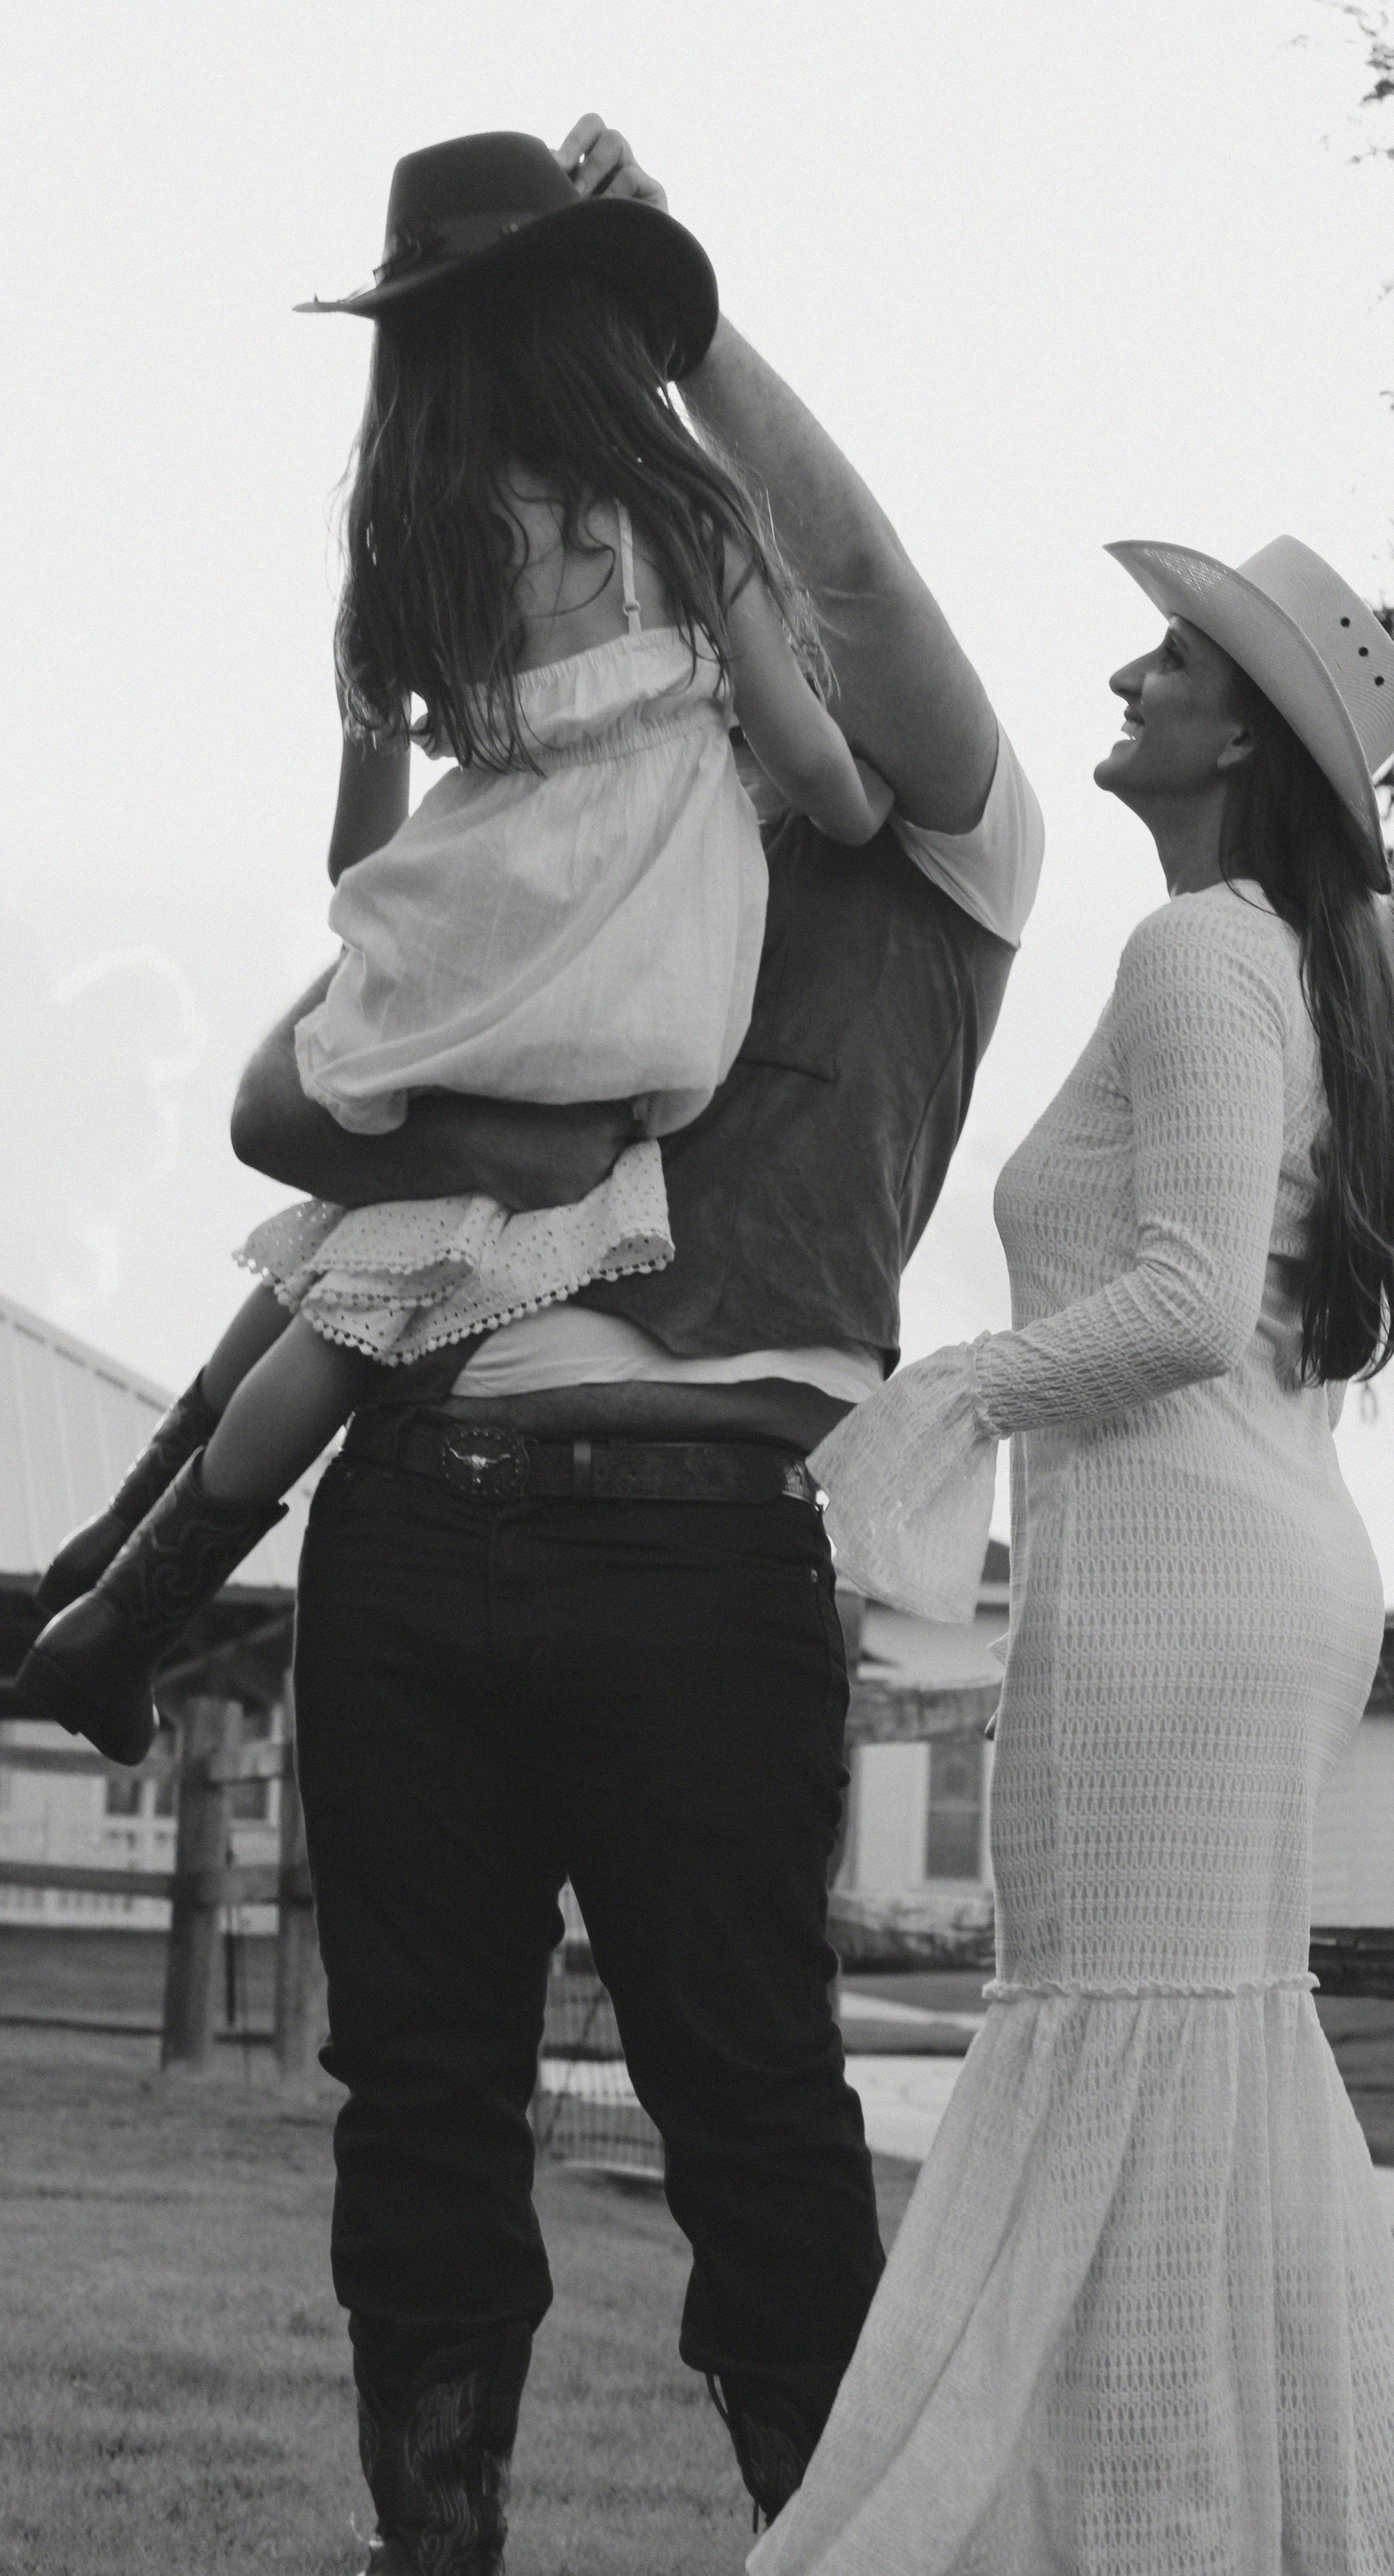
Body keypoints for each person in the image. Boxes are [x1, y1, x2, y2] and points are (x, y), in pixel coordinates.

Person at [225, 119, 1042, 2576]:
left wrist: (662, 333)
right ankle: (432, 2569)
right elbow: (292, 1078)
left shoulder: (951, 862)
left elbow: (869, 598)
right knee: (418, 2087)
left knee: (748, 2089)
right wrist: (477, 1088)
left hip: (694, 1546)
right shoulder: (536, 837)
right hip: (416, 1517)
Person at [750, 539, 1394, 2576]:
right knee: (1207, 2099)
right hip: (1229, 1571)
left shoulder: (1207, 947)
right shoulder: (1292, 963)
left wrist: (948, 1397)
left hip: (1183, 1593)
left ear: (1245, 741)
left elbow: (1193, 1303)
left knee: (1118, 2069)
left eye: (1177, 661)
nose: (1130, 668)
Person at [8, 129, 890, 1775]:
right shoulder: (679, 515)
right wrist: (848, 792)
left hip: (451, 957)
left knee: (347, 1236)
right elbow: (826, 785)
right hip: (602, 1005)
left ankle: (100, 1567)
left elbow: (359, 853)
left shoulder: (415, 546)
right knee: (368, 1315)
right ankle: (118, 1621)